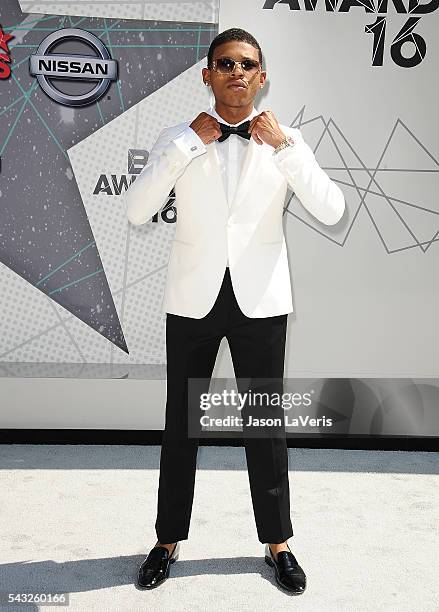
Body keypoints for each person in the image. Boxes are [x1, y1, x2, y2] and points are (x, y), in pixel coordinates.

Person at [125, 27, 345, 594]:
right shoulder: (180, 136)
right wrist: (186, 146)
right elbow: (136, 209)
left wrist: (287, 150)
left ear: (261, 76)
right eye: (225, 63)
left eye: (248, 64)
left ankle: (278, 544)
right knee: (182, 427)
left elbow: (331, 208)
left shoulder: (286, 139)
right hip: (193, 299)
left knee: (265, 426)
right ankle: (166, 540)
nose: (237, 72)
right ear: (207, 75)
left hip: (261, 301)